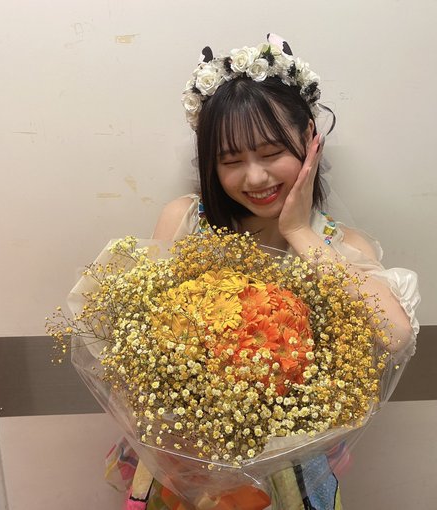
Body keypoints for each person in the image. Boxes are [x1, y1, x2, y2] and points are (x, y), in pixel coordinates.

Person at [106, 34, 420, 509]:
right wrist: (182, 441)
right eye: (231, 161)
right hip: (185, 468)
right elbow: (134, 349)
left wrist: (299, 231)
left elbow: (395, 335)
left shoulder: (339, 247)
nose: (255, 178)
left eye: (272, 153)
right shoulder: (186, 223)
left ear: (310, 139)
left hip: (291, 477)